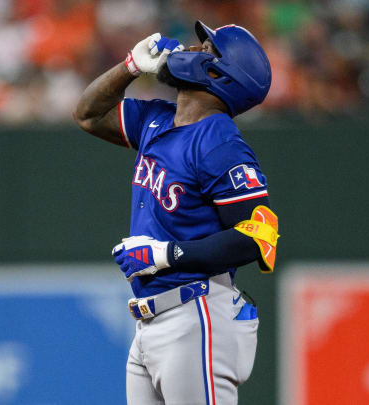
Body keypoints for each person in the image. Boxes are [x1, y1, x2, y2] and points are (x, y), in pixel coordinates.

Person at [74, 20, 278, 405]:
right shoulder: (158, 118)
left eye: (207, 49)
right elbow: (87, 114)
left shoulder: (218, 141)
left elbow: (258, 236)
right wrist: (130, 67)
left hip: (195, 313)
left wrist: (167, 254)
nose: (193, 48)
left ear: (221, 74)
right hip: (152, 321)